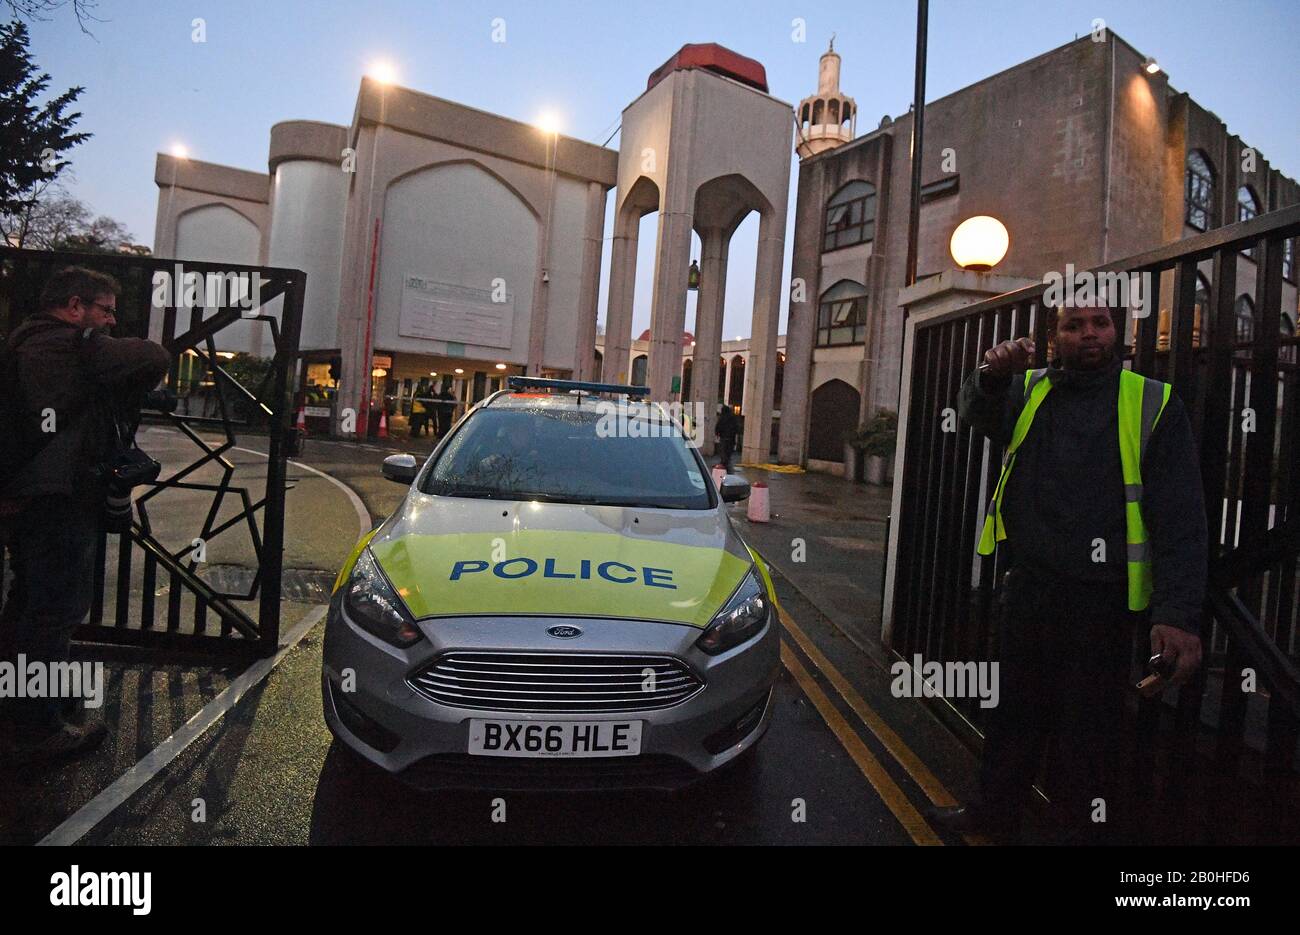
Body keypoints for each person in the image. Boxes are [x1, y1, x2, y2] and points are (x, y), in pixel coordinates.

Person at [928, 298, 1207, 844]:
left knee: (1089, 733)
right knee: (1012, 716)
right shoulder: (1029, 390)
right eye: (1073, 326)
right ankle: (991, 816)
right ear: (1055, 337)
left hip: (1104, 601)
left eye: (1099, 324)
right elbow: (974, 414)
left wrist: (1177, 614)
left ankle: (1074, 831)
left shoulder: (1151, 402)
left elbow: (1181, 515)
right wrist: (989, 374)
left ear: (1118, 333)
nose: (1088, 335)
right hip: (1032, 586)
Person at [0, 267, 171, 762]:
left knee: (29, 604)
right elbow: (153, 355)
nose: (112, 321)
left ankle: (26, 703)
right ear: (75, 306)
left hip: (33, 496)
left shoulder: (27, 345)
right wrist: (93, 341)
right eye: (106, 311)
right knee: (53, 613)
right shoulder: (61, 346)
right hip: (56, 498)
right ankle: (38, 730)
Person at [715, 404, 738, 472]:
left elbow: (718, 426)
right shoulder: (733, 417)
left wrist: (717, 433)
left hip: (723, 438)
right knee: (728, 453)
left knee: (723, 452)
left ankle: (724, 464)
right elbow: (737, 428)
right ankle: (727, 465)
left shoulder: (722, 417)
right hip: (731, 439)